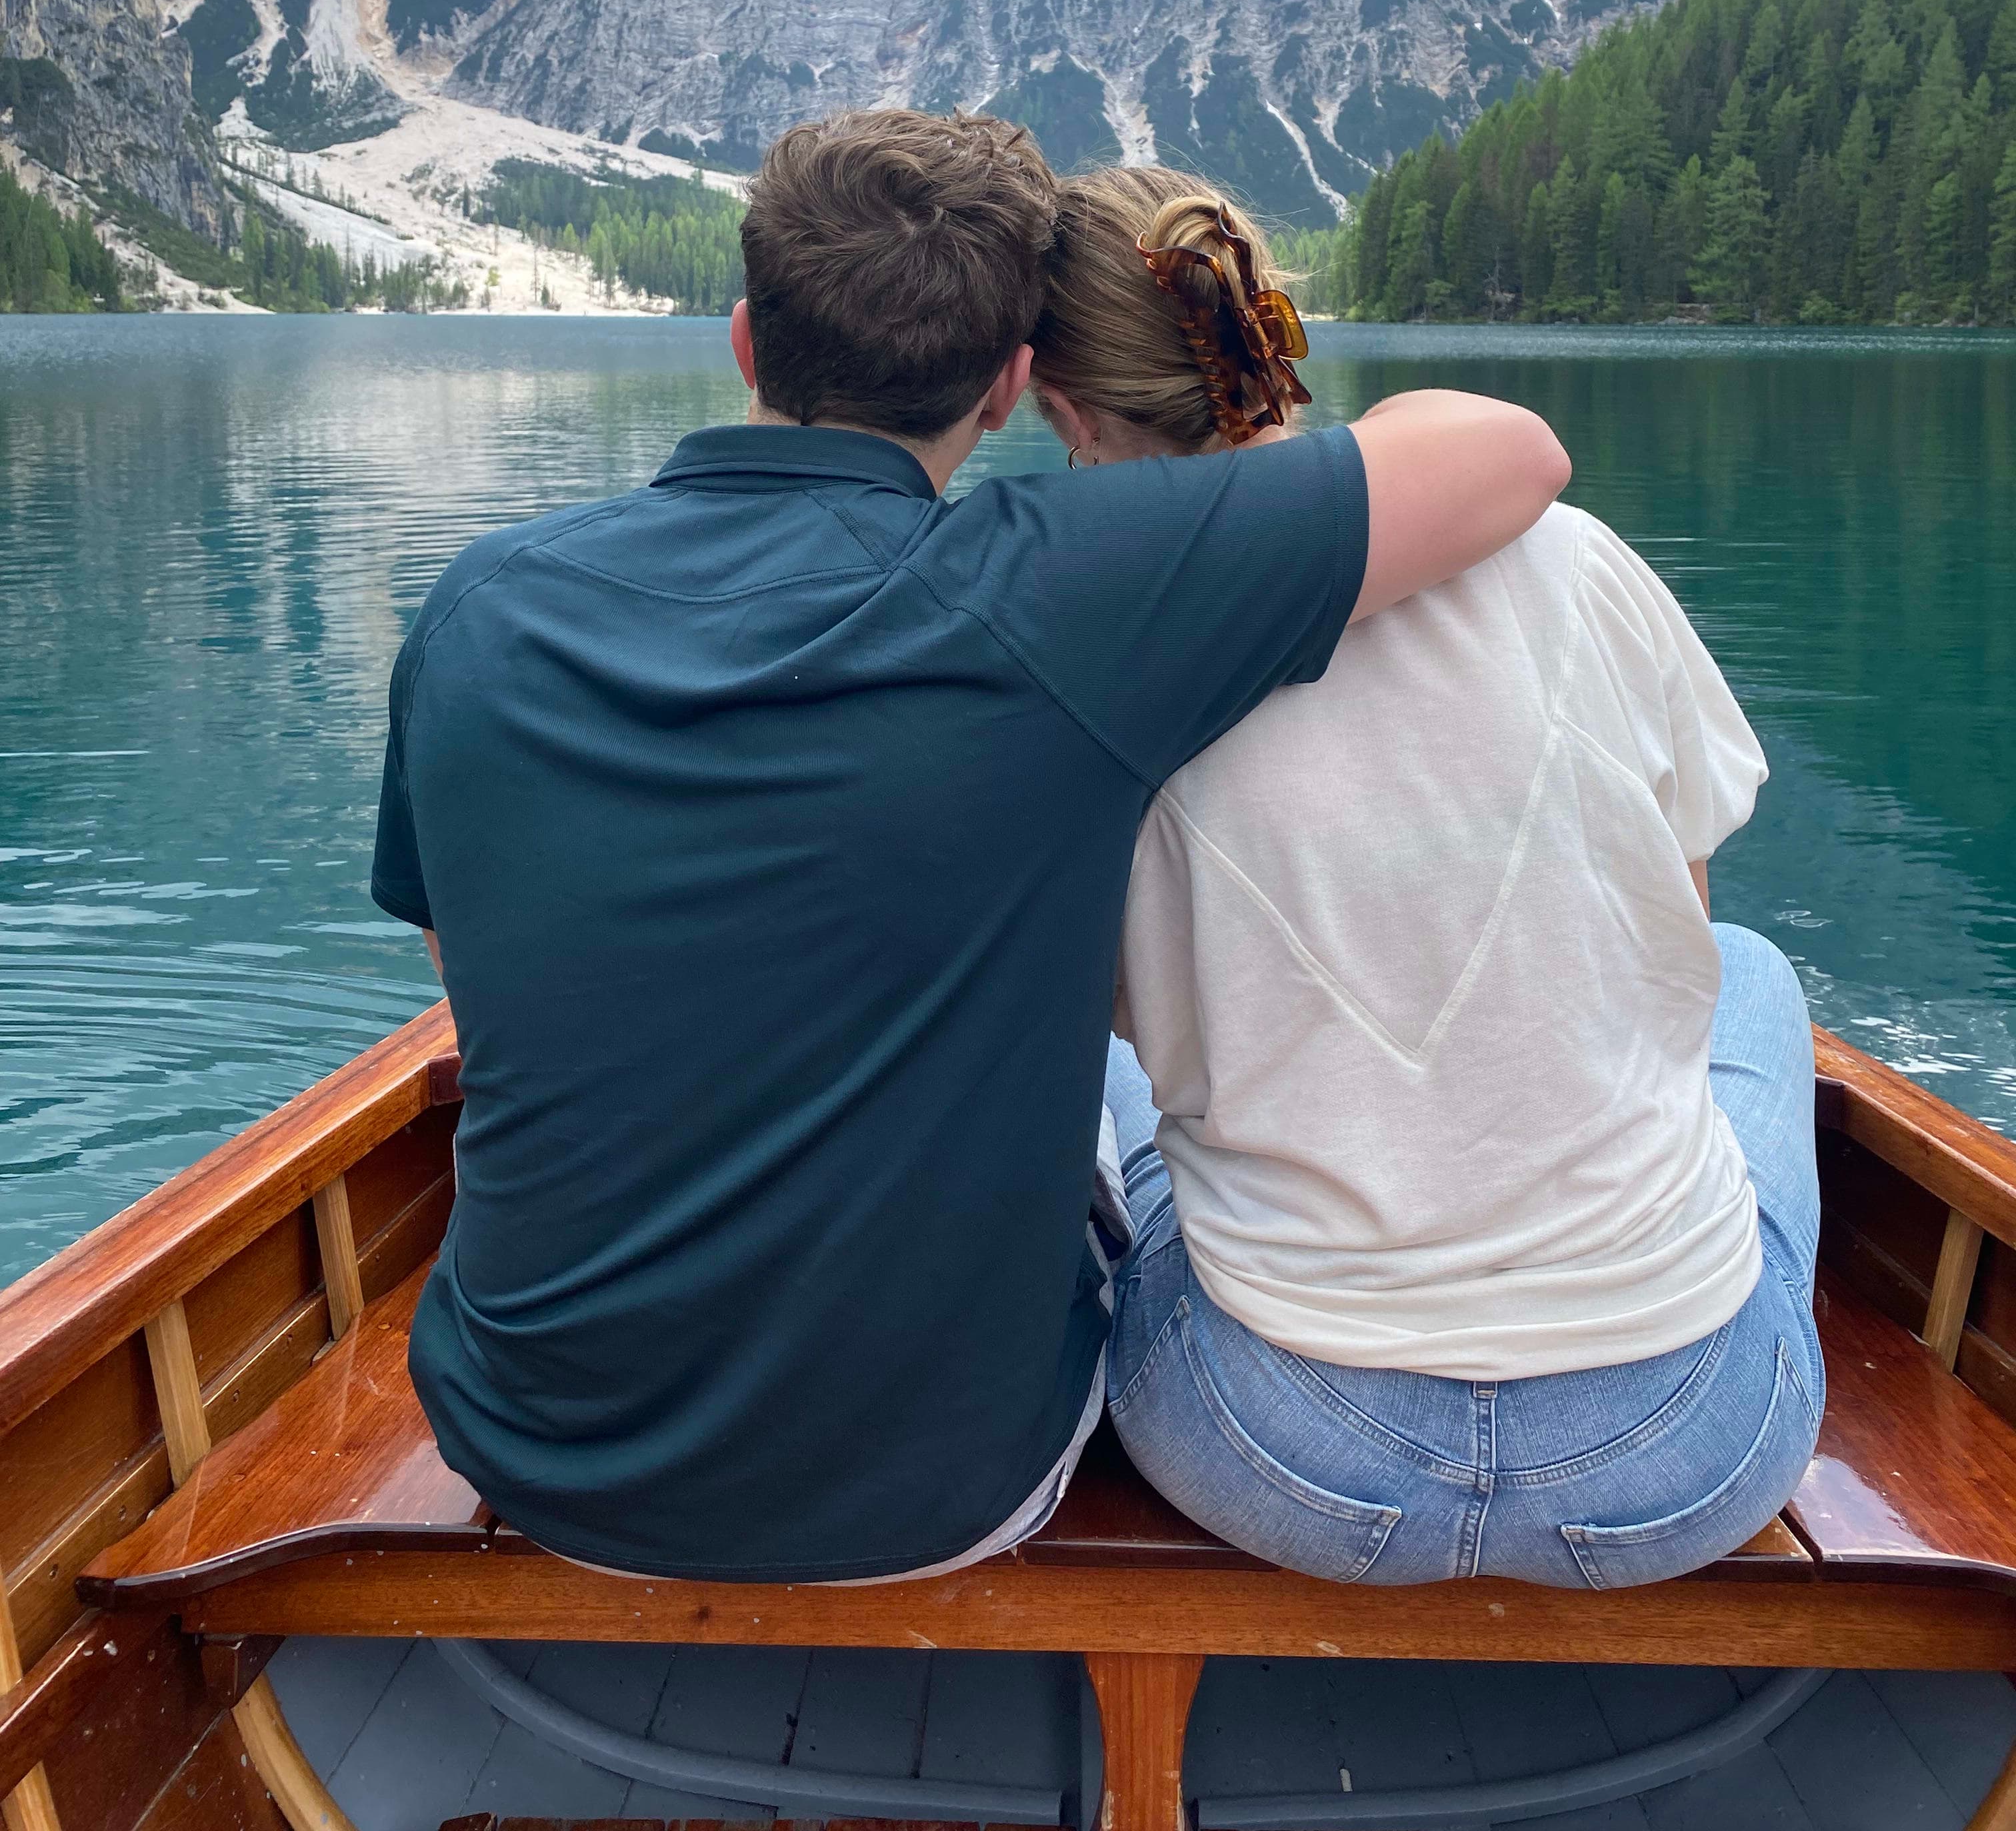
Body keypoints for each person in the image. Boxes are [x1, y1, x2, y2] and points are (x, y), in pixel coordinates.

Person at [370, 109, 1569, 1584]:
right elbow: (1511, 453)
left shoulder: (484, 606)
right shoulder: (1059, 595)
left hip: (535, 1456)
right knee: (1123, 1074)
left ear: (747, 342)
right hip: (939, 1496)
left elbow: (468, 966)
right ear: (1009, 390)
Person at [1030, 167, 1823, 1589]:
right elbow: (1680, 914)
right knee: (1755, 974)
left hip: (1286, 1452)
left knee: (1123, 1080)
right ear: (1266, 326)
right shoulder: (1571, 558)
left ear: (1063, 409)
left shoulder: (1089, 661)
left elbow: (1113, 1008)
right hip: (1686, 1448)